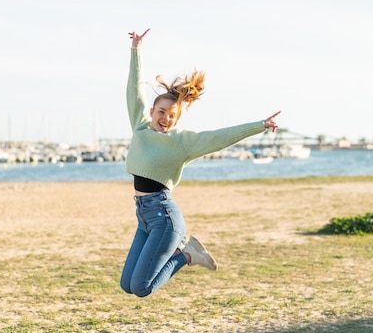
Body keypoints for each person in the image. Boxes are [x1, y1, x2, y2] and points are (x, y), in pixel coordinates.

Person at [120, 28, 280, 298]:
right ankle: (185, 252)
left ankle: (187, 256)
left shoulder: (182, 142)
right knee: (127, 285)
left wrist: (260, 125)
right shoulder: (140, 126)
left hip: (165, 217)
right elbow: (134, 89)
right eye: (161, 112)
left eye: (172, 115)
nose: (165, 119)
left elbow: (220, 138)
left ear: (177, 119)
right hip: (144, 216)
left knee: (141, 288)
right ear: (151, 112)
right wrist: (136, 50)